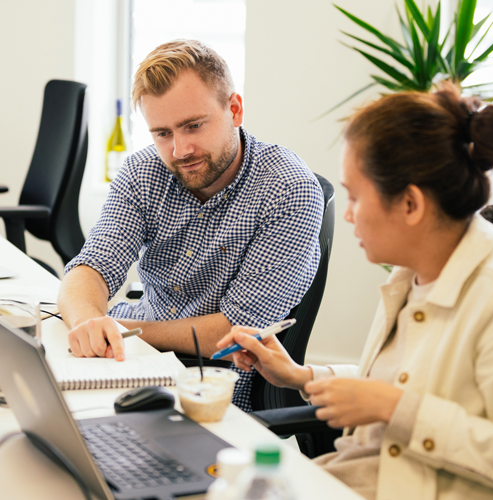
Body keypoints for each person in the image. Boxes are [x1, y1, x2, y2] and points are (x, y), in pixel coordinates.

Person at [217, 84, 493, 498]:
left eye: (354, 196)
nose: (346, 215)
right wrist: (300, 375)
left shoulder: (491, 294)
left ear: (410, 204)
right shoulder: (413, 276)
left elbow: (397, 402)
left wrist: (393, 409)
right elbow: (397, 383)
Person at [57, 40, 324, 412]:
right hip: (137, 362)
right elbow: (92, 266)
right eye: (162, 133)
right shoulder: (142, 172)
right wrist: (88, 322)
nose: (180, 150)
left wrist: (121, 328)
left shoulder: (286, 188)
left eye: (193, 126)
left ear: (234, 109)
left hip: (217, 388)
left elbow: (238, 329)